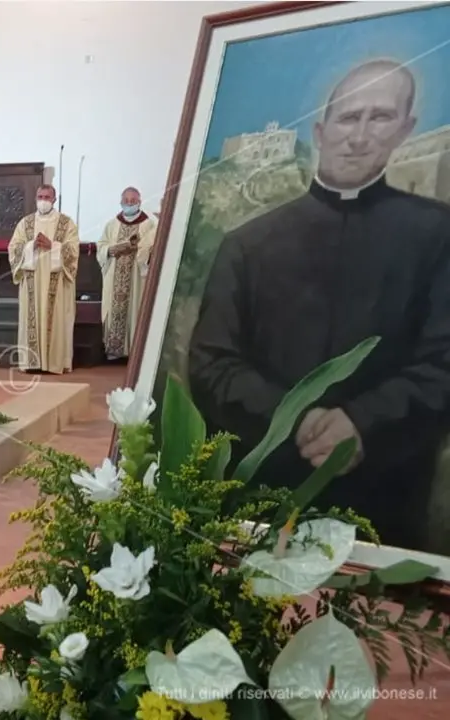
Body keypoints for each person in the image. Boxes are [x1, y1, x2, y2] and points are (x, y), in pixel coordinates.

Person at [187, 59, 450, 550]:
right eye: (349, 118)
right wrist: (294, 418)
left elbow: (444, 363)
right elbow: (211, 364)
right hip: (261, 495)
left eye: (381, 117)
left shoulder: (438, 234)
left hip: (385, 501)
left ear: (405, 128)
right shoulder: (248, 244)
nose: (360, 136)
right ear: (321, 131)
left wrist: (364, 421)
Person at [7, 183, 80, 374]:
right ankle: (32, 362)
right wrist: (30, 246)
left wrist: (52, 245)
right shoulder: (26, 223)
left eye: (47, 197)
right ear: (35, 198)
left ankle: (55, 363)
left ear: (54, 199)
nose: (43, 201)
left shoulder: (66, 223)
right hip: (32, 281)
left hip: (57, 282)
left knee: (56, 320)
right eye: (40, 197)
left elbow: (73, 250)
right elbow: (14, 247)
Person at [97, 187, 157, 360]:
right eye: (126, 200)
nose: (129, 204)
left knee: (136, 311)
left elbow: (152, 247)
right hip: (113, 277)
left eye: (133, 201)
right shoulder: (112, 224)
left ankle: (134, 352)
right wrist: (110, 250)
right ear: (121, 202)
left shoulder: (149, 225)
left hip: (137, 278)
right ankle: (114, 352)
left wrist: (140, 249)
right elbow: (101, 247)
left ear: (139, 202)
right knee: (114, 310)